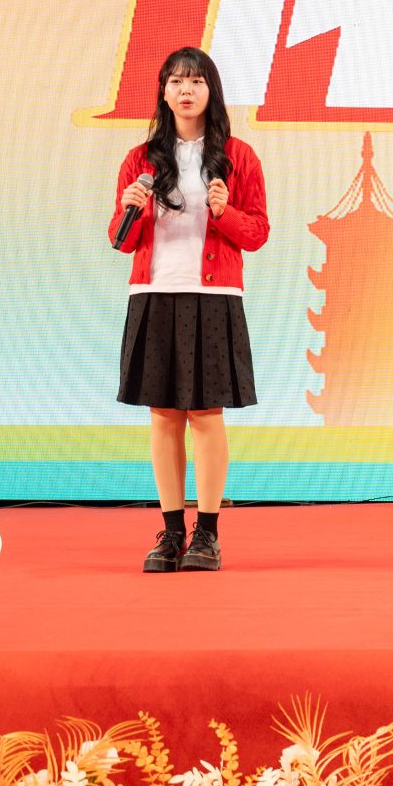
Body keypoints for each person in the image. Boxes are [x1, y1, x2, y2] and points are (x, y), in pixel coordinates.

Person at [111, 47, 269, 574]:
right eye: (176, 81)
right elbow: (120, 239)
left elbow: (258, 233)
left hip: (215, 297)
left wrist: (224, 212)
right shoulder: (140, 159)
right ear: (163, 92)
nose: (186, 90)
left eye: (196, 81)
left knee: (205, 414)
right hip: (153, 293)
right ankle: (171, 532)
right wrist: (131, 209)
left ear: (210, 91)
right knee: (162, 414)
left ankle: (208, 533)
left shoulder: (238, 156)